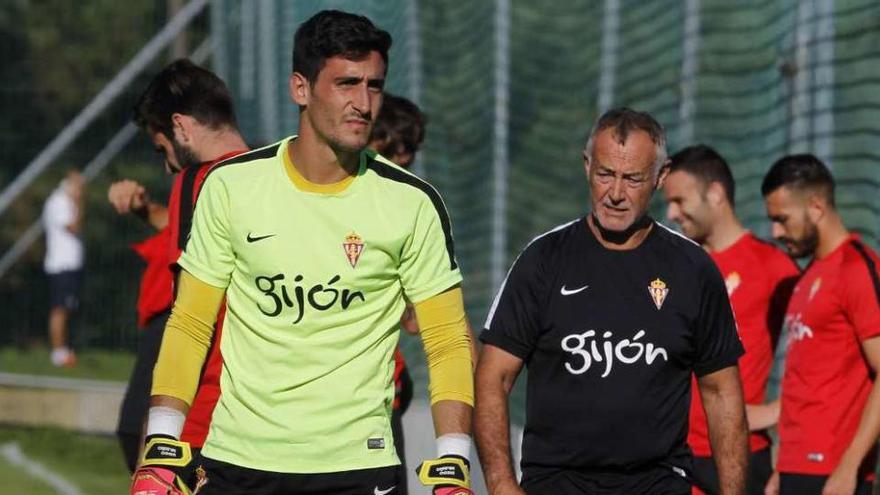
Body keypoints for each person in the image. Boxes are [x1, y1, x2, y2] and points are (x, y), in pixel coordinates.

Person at [131, 10, 475, 495]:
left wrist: (454, 463)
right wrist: (161, 447)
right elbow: (190, 321)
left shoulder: (414, 203)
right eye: (346, 83)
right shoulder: (231, 187)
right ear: (300, 88)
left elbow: (446, 340)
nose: (363, 103)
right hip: (238, 461)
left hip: (359, 468)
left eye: (374, 86)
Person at [475, 108, 749, 495]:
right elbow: (493, 376)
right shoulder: (544, 260)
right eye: (605, 174)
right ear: (587, 166)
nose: (616, 193)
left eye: (633, 178)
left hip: (657, 482)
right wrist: (502, 484)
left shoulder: (693, 270)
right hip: (556, 482)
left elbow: (722, 393)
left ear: (660, 177)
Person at [110, 59, 248, 476]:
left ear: (181, 127)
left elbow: (187, 321)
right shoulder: (275, 174)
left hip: (205, 423)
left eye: (162, 148)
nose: (168, 165)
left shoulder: (196, 182)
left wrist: (157, 446)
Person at [662, 145, 799, 495]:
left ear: (716, 193)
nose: (671, 212)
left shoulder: (773, 266)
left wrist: (777, 411)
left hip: (740, 454)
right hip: (673, 454)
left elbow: (828, 346)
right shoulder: (675, 268)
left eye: (679, 200)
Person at [761, 154, 880, 495]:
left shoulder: (857, 269)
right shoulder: (808, 277)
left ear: (815, 207)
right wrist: (782, 468)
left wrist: (850, 465)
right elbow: (808, 381)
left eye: (782, 219)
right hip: (794, 469)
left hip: (833, 475)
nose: (775, 232)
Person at [42, 168, 85, 368]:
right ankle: (59, 353)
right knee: (60, 309)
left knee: (67, 308)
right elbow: (74, 226)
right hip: (61, 265)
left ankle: (65, 350)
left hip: (69, 265)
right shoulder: (59, 202)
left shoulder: (64, 201)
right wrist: (78, 202)